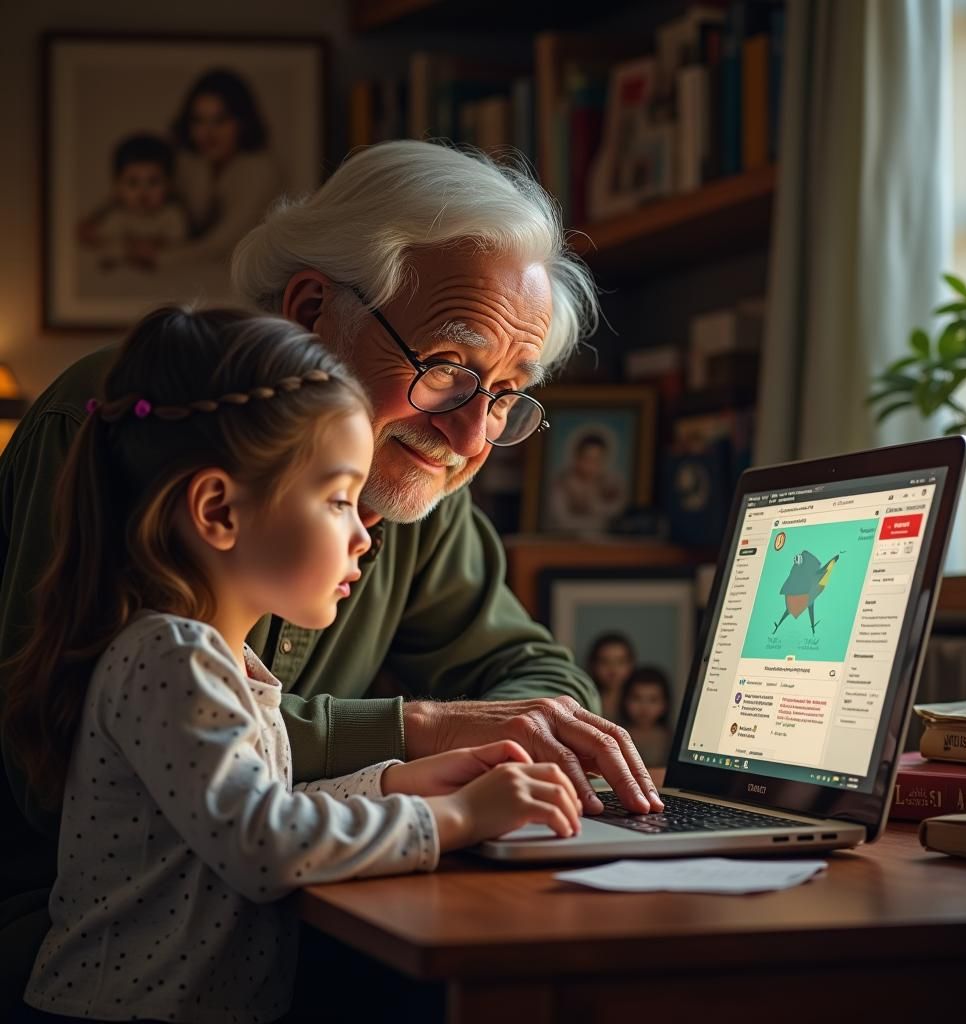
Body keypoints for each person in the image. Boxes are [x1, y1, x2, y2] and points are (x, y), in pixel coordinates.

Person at [0, 139, 661, 1008]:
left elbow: (533, 677)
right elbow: (63, 763)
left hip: (255, 937)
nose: (471, 439)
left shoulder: (418, 483)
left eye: (505, 394)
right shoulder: (136, 431)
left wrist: (501, 745)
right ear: (313, 309)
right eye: (448, 368)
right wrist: (420, 739)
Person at [4, 307, 581, 1024]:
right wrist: (456, 816)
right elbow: (264, 844)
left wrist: (396, 780)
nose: (364, 534)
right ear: (219, 511)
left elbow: (261, 805)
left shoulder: (224, 661)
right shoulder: (169, 661)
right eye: (339, 499)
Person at [125, 69, 281, 271]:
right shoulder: (191, 163)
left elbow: (222, 245)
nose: (208, 132)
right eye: (199, 121)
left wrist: (158, 256)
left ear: (242, 122)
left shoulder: (261, 171)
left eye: (220, 120)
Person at [79, 134, 187, 270]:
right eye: (132, 183)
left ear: (169, 185)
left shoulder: (172, 215)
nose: (143, 192)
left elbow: (179, 247)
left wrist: (157, 247)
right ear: (117, 187)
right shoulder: (118, 217)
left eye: (153, 182)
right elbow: (104, 246)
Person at [546, 431, 628, 533]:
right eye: (588, 459)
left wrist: (595, 502)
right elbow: (560, 519)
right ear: (577, 458)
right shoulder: (563, 483)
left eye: (598, 460)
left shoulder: (612, 484)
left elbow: (617, 513)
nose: (592, 465)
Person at [619, 667, 673, 768]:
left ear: (665, 704)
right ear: (625, 701)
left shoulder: (672, 739)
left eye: (653, 700)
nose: (644, 707)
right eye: (636, 698)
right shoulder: (616, 737)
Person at [585, 632, 636, 722]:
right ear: (593, 665)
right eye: (604, 662)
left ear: (631, 664)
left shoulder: (639, 704)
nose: (613, 670)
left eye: (620, 662)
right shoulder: (583, 701)